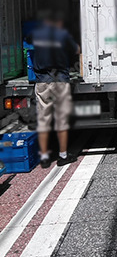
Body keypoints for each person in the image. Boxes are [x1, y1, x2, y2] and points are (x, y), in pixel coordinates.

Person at [30, 11, 80, 168]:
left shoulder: (36, 34)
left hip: (42, 81)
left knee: (43, 120)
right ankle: (63, 156)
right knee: (61, 120)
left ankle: (44, 157)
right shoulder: (62, 34)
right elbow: (77, 50)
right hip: (60, 81)